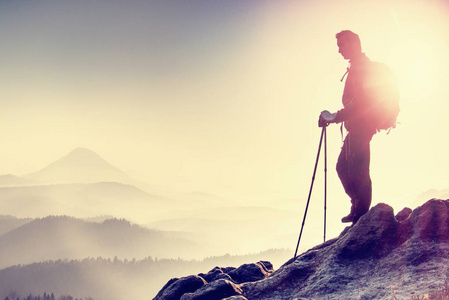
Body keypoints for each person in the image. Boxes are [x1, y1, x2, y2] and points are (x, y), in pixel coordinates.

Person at [319, 30, 379, 224]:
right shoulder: (356, 67)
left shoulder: (360, 68)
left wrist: (335, 116)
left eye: (341, 45)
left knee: (356, 170)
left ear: (353, 44)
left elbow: (360, 104)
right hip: (359, 127)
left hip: (361, 127)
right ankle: (358, 209)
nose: (339, 50)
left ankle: (360, 214)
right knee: (346, 168)